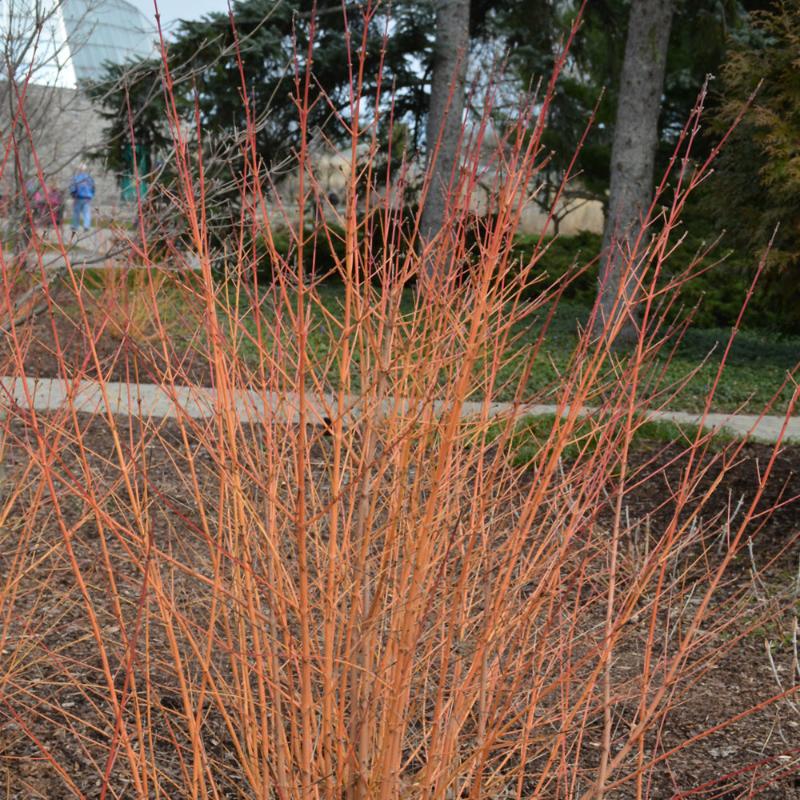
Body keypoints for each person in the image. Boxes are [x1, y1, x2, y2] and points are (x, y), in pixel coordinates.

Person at [69, 163, 95, 234]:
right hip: (87, 198)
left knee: (76, 212)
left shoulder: (76, 178)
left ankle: (75, 225)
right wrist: (91, 195)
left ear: (79, 170)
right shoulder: (89, 179)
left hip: (78, 197)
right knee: (86, 212)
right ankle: (86, 226)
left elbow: (72, 187)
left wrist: (73, 194)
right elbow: (93, 188)